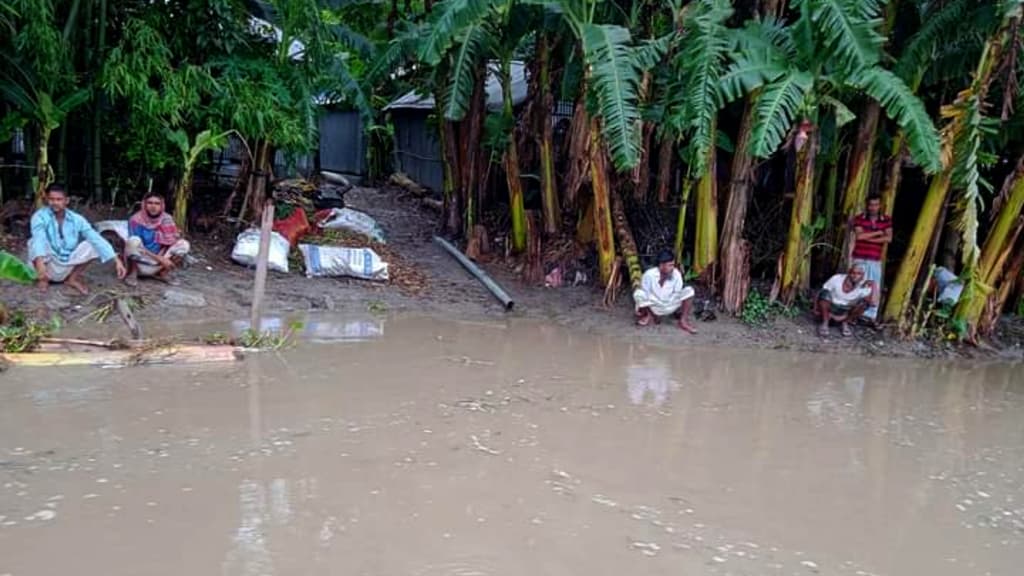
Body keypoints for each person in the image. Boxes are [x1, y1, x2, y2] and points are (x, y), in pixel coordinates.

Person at [28, 183, 125, 294]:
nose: (55, 203)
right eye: (51, 199)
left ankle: (72, 279)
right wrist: (40, 265)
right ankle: (43, 280)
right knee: (33, 242)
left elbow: (95, 237)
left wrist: (116, 260)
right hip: (47, 263)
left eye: (59, 199)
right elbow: (39, 238)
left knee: (92, 245)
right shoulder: (39, 216)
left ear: (66, 201)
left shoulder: (76, 219)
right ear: (47, 200)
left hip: (67, 262)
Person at [124, 192, 190, 286]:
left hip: (160, 261)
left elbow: (170, 242)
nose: (153, 206)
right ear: (144, 204)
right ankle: (132, 273)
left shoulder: (167, 219)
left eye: (157, 203)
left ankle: (163, 273)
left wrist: (162, 258)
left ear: (162, 205)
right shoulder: (135, 220)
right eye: (150, 203)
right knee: (133, 241)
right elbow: (137, 246)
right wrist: (159, 259)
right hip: (140, 258)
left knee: (184, 244)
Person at [850, 194, 892, 322]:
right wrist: (879, 233)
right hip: (859, 257)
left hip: (874, 259)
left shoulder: (886, 220)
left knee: (874, 286)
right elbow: (859, 237)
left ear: (880, 206)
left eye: (876, 205)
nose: (873, 207)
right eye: (871, 205)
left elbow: (888, 238)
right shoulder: (859, 218)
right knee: (857, 285)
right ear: (866, 205)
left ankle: (869, 316)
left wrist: (868, 236)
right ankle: (854, 313)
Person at [633, 249, 697, 333]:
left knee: (689, 290)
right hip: (654, 304)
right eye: (670, 265)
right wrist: (643, 310)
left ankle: (683, 321)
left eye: (673, 265)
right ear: (661, 265)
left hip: (670, 303)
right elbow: (646, 294)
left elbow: (678, 293)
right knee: (638, 293)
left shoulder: (676, 274)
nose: (672, 268)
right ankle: (650, 316)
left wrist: (677, 308)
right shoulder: (649, 275)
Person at [815, 263, 878, 338]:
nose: (855, 276)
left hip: (845, 312)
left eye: (859, 274)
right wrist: (815, 308)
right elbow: (821, 292)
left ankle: (845, 323)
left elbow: (873, 303)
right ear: (849, 272)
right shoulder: (837, 278)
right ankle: (825, 322)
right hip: (830, 307)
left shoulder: (863, 286)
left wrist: (873, 284)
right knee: (825, 294)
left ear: (862, 276)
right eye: (853, 273)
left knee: (864, 303)